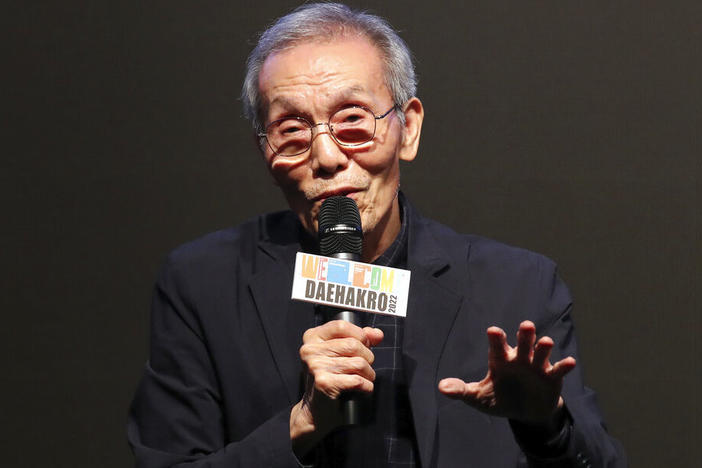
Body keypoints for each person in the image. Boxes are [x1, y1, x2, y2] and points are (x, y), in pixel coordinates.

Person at [128, 3, 626, 467]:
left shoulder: (519, 286)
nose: (325, 157)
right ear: (265, 150)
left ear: (407, 129)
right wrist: (300, 425)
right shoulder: (204, 283)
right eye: (293, 131)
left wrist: (546, 425)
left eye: (352, 122)